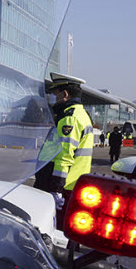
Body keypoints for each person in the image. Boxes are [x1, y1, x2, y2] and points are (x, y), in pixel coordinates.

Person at [45, 73, 94, 218]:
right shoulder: (82, 115)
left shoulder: (69, 119)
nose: (53, 99)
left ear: (65, 94)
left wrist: (56, 189)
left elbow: (64, 157)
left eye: (55, 94)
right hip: (73, 185)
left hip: (63, 187)